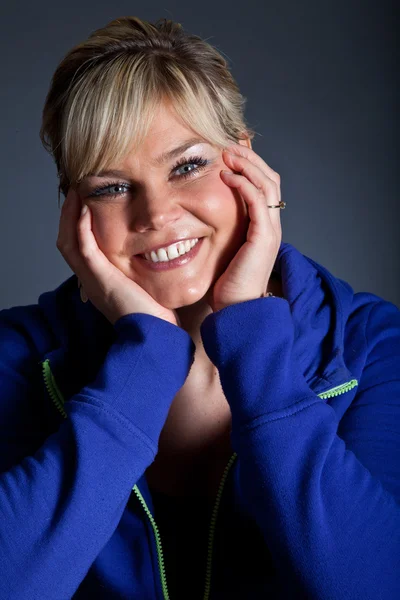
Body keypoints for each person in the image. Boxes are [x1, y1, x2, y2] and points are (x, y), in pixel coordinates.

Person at [0, 15, 399, 600]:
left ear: (246, 163)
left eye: (186, 165)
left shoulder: (372, 347)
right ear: (73, 214)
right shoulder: (14, 359)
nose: (156, 214)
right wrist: (147, 358)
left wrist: (253, 340)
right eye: (110, 186)